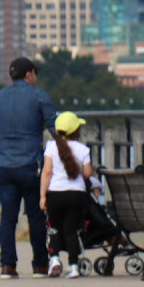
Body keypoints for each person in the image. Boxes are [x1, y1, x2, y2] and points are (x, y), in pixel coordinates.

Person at [0, 57, 57, 279]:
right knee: (36, 216)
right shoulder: (39, 95)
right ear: (29, 74)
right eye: (35, 73)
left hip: (2, 164)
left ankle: (7, 265)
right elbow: (55, 128)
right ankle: (40, 265)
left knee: (7, 217)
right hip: (30, 164)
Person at [39, 112, 92, 278]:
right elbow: (87, 173)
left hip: (55, 193)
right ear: (76, 131)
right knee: (71, 230)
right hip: (76, 195)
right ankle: (73, 266)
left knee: (54, 228)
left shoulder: (51, 146)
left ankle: (54, 260)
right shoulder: (83, 149)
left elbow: (47, 172)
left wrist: (43, 196)